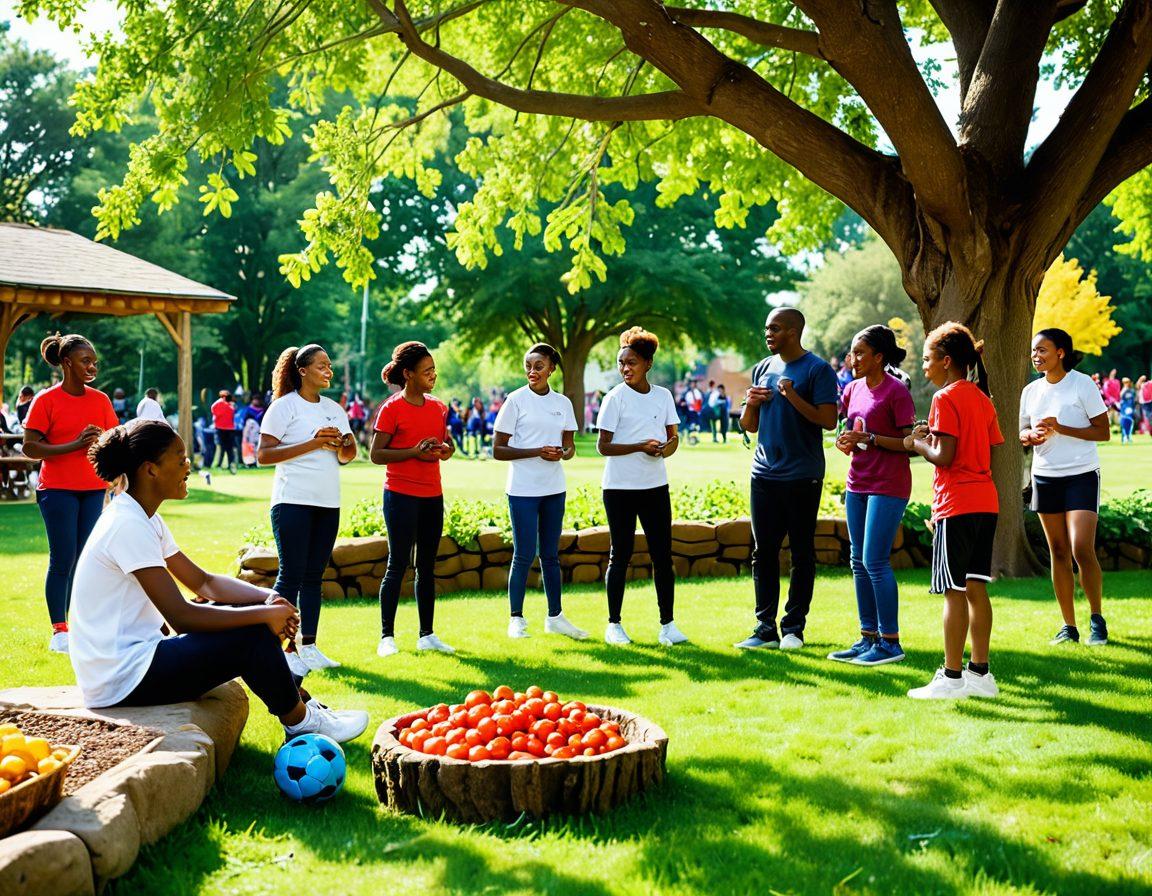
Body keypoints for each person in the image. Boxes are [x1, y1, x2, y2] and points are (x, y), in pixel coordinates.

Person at [70, 420, 367, 741]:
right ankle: (301, 721)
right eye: (180, 457)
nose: (189, 465)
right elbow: (181, 617)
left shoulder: (142, 516)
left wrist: (267, 600)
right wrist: (264, 616)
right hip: (121, 679)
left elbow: (203, 582)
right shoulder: (127, 523)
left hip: (134, 663)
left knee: (237, 611)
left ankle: (302, 704)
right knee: (251, 635)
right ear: (150, 469)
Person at [905, 322, 1003, 700]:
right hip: (985, 502)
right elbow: (983, 447)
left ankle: (952, 677)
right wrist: (934, 438)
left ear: (947, 362)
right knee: (976, 588)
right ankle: (981, 674)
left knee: (953, 590)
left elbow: (944, 456)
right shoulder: (982, 398)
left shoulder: (944, 398)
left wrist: (918, 444)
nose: (925, 366)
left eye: (928, 359)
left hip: (956, 503)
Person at [735, 308, 838, 651]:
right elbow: (750, 425)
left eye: (775, 329)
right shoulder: (763, 368)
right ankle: (764, 628)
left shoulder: (818, 370)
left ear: (793, 332)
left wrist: (792, 395)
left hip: (802, 475)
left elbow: (828, 420)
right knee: (763, 552)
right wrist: (750, 403)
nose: (768, 334)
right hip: (763, 473)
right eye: (766, 328)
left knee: (801, 553)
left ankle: (793, 627)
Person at [258, 345, 358, 674]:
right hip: (292, 501)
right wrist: (314, 442)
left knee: (314, 577)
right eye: (322, 366)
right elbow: (264, 455)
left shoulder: (334, 409)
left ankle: (309, 646)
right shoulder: (284, 407)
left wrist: (345, 443)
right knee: (290, 576)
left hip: (328, 502)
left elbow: (346, 456)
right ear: (303, 371)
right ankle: (280, 648)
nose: (328, 371)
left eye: (330, 366)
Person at [21, 334, 119, 654]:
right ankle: (59, 631)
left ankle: (81, 626)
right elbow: (30, 447)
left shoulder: (101, 400)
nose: (92, 366)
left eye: (94, 361)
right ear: (66, 363)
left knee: (85, 560)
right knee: (63, 559)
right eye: (85, 361)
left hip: (93, 489)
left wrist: (102, 440)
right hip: (57, 490)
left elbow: (115, 442)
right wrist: (75, 444)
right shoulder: (46, 400)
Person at [829, 326, 916, 666]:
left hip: (889, 484)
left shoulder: (896, 393)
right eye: (853, 353)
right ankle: (868, 638)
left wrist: (875, 440)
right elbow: (848, 431)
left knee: (874, 561)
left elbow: (911, 445)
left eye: (861, 353)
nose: (854, 359)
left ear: (879, 357)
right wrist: (845, 441)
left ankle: (891, 642)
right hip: (857, 482)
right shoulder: (851, 389)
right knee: (857, 561)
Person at [596, 326, 688, 647]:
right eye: (621, 363)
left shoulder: (663, 396)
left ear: (647, 363)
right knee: (619, 555)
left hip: (655, 487)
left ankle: (668, 625)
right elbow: (603, 446)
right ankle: (614, 625)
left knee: (662, 556)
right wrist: (639, 446)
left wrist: (666, 448)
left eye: (631, 362)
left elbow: (673, 437)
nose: (625, 368)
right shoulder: (614, 398)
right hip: (619, 488)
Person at [1019, 329, 1110, 647]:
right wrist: (1032, 436)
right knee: (1057, 550)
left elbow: (1103, 432)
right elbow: (1022, 433)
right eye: (1033, 351)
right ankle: (1068, 626)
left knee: (1081, 547)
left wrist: (1062, 428)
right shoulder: (1031, 391)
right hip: (1045, 476)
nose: (1036, 355)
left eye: (1042, 350)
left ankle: (1096, 620)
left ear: (1060, 352)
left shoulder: (1082, 384)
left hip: (1082, 474)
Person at [493, 343, 587, 641]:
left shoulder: (563, 403)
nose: (532, 372)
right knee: (523, 554)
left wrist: (563, 452)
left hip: (554, 488)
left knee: (550, 555)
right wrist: (537, 451)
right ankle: (516, 619)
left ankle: (555, 617)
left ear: (552, 369)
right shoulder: (515, 401)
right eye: (528, 366)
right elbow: (498, 449)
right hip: (522, 489)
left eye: (538, 366)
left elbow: (570, 447)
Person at [371, 342, 455, 657]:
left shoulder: (438, 407)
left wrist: (447, 450)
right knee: (397, 564)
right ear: (408, 374)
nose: (433, 375)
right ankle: (386, 637)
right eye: (426, 371)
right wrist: (412, 451)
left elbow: (445, 444)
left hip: (432, 495)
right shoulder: (391, 408)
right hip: (400, 495)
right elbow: (376, 454)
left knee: (427, 567)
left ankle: (427, 635)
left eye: (434, 370)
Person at [211, 390, 238, 472]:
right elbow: (213, 410)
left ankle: (231, 465)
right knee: (222, 448)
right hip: (220, 429)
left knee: (229, 448)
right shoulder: (218, 403)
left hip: (229, 429)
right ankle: (219, 465)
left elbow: (233, 410)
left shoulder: (230, 404)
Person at [1118, 377, 1136, 444]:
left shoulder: (1132, 391)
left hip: (1130, 410)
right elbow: (1120, 396)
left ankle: (1129, 437)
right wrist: (1125, 388)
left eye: (1127, 382)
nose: (1126, 384)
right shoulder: (1123, 390)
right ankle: (1124, 438)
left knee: (1130, 423)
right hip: (1124, 410)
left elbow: (1134, 400)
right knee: (1124, 423)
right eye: (1125, 382)